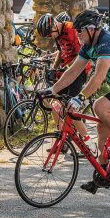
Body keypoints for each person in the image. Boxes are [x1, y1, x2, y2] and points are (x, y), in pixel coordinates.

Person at [41, 10, 110, 191]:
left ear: (91, 29)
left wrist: (81, 98)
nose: (77, 35)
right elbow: (73, 71)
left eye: (80, 32)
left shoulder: (106, 42)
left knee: (99, 105)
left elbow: (99, 76)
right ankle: (104, 176)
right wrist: (52, 89)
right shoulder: (88, 45)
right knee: (102, 132)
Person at [36, 13, 89, 142]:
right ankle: (62, 139)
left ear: (55, 25)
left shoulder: (71, 30)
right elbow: (60, 52)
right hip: (67, 72)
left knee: (71, 108)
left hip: (79, 71)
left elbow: (81, 55)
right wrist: (54, 69)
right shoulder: (57, 33)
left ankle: (86, 141)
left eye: (50, 34)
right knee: (54, 103)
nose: (50, 36)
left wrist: (66, 68)